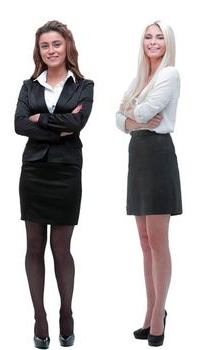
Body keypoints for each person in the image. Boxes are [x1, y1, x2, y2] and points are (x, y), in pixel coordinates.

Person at [13, 20, 93, 349]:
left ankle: (66, 313)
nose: (51, 51)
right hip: (33, 172)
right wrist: (59, 126)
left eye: (56, 44)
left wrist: (40, 119)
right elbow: (18, 125)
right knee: (34, 247)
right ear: (39, 51)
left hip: (66, 172)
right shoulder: (29, 86)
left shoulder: (84, 86)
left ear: (67, 47)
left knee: (61, 248)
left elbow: (78, 124)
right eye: (45, 46)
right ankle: (39, 317)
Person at [114, 20, 180, 348]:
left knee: (158, 241)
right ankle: (150, 309)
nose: (153, 42)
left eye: (159, 38)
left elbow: (146, 110)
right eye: (148, 37)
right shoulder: (142, 78)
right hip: (138, 157)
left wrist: (131, 114)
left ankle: (158, 314)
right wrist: (131, 116)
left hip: (157, 157)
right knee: (143, 240)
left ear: (167, 44)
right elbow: (119, 116)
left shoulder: (169, 75)